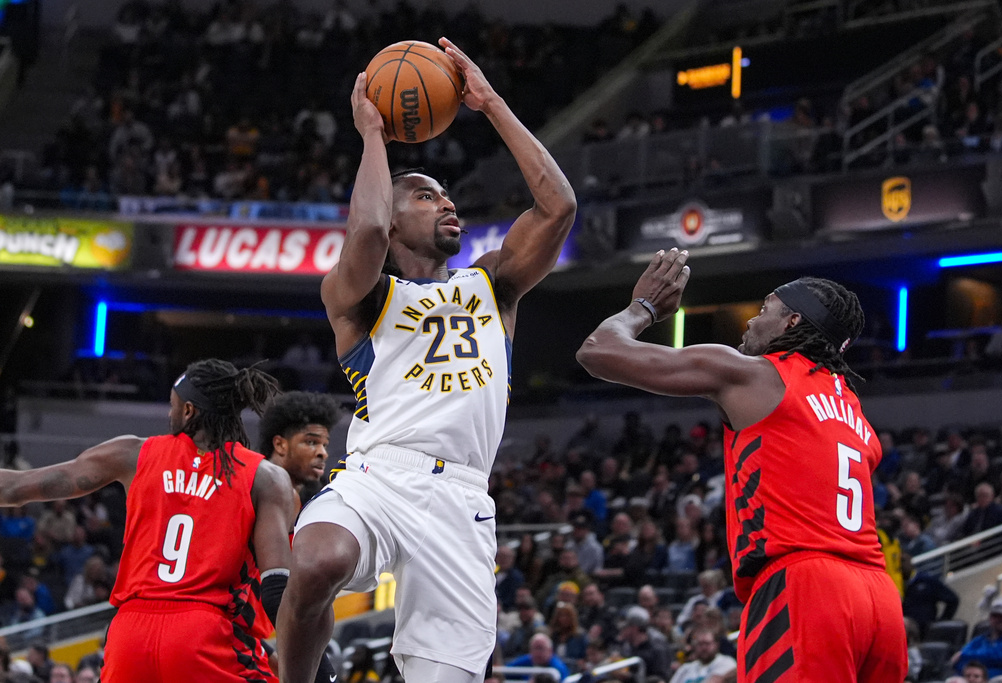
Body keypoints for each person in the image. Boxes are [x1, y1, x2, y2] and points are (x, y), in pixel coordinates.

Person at [276, 35, 576, 683]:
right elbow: (364, 232)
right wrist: (373, 136)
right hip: (378, 476)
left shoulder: (492, 284)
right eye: (425, 196)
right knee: (316, 561)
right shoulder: (360, 298)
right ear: (395, 219)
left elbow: (559, 207)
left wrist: (490, 102)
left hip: (462, 499)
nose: (448, 203)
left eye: (448, 196)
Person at [576, 251, 907, 682]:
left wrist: (645, 307)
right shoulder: (856, 414)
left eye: (765, 308)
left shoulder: (755, 375)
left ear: (793, 324)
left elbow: (598, 351)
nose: (750, 321)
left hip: (805, 587)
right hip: (880, 599)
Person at [0, 359, 296, 682]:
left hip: (130, 635)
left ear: (188, 412)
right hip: (204, 634)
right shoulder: (264, 477)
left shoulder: (133, 453)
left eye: (172, 405)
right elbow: (278, 589)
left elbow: (17, 488)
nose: (169, 414)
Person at [955, 598, 1002, 679]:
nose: (998, 620)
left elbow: (995, 656)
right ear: (990, 618)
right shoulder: (980, 640)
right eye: (995, 616)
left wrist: (965, 655)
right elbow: (958, 662)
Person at [668, 627, 737, 683]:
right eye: (700, 644)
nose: (704, 648)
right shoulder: (686, 668)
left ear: (716, 644)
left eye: (707, 643)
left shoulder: (727, 662)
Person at [505, 634, 570, 681]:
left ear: (550, 651)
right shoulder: (526, 660)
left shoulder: (557, 668)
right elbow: (505, 672)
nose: (537, 653)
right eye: (534, 648)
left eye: (541, 648)